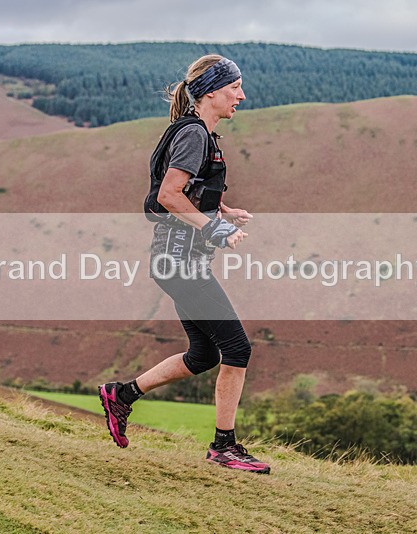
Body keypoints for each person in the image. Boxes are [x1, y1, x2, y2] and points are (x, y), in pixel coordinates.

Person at [98, 55, 270, 474]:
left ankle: (121, 395)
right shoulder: (194, 133)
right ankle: (223, 447)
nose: (241, 96)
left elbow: (188, 188)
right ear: (211, 92)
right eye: (235, 88)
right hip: (180, 261)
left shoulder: (201, 134)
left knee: (204, 353)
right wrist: (215, 229)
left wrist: (223, 210)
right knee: (237, 348)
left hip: (179, 260)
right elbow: (168, 196)